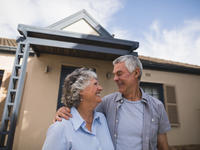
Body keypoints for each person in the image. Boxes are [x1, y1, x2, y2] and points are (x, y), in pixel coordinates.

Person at [55, 55, 171, 150]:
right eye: (114, 74)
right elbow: (83, 111)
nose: (115, 78)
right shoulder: (107, 103)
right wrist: (65, 110)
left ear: (136, 73)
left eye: (119, 74)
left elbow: (162, 145)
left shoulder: (157, 106)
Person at [42, 68, 114, 150]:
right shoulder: (60, 128)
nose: (100, 88)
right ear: (80, 90)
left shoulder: (102, 119)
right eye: (95, 84)